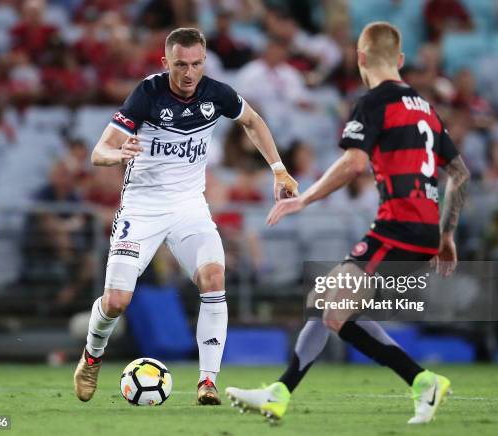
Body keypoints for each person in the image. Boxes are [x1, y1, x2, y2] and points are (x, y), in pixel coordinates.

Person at [225, 21, 470, 424]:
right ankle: (280, 392)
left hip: (399, 227)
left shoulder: (374, 102)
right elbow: (459, 172)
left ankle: (421, 380)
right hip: (419, 229)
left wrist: (304, 197)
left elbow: (354, 162)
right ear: (401, 60)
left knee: (333, 311)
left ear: (359, 58)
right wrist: (445, 233)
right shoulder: (426, 109)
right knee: (327, 303)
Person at [73, 27, 298, 406]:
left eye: (195, 64)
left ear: (204, 62)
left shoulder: (217, 94)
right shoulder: (147, 94)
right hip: (142, 207)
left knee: (213, 278)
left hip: (190, 205)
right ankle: (92, 357)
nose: (189, 73)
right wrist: (121, 153)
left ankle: (207, 381)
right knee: (116, 301)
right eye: (180, 65)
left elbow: (253, 121)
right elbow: (99, 151)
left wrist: (278, 169)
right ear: (166, 63)